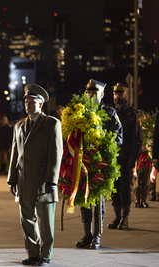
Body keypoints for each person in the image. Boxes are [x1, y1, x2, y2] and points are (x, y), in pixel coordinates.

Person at [7, 84, 63, 266]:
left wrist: (51, 181)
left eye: (32, 102)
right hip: (24, 181)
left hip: (43, 180)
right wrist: (12, 178)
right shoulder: (19, 126)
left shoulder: (52, 124)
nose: (29, 105)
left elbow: (56, 154)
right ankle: (33, 254)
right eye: (27, 102)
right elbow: (14, 154)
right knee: (27, 220)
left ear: (41, 105)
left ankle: (45, 255)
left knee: (46, 222)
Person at [75, 79, 123, 250]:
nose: (90, 95)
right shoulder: (81, 113)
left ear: (102, 95)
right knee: (84, 199)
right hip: (83, 162)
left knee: (98, 202)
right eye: (88, 92)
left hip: (100, 162)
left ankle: (97, 236)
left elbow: (118, 137)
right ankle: (87, 234)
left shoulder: (109, 113)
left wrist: (102, 144)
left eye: (94, 93)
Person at [106, 83, 143, 230]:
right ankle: (117, 217)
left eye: (121, 94)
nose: (117, 96)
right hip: (113, 159)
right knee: (114, 189)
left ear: (126, 95)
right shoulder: (111, 112)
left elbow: (137, 139)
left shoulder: (133, 114)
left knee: (125, 189)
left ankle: (125, 218)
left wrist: (133, 159)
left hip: (125, 158)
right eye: (115, 94)